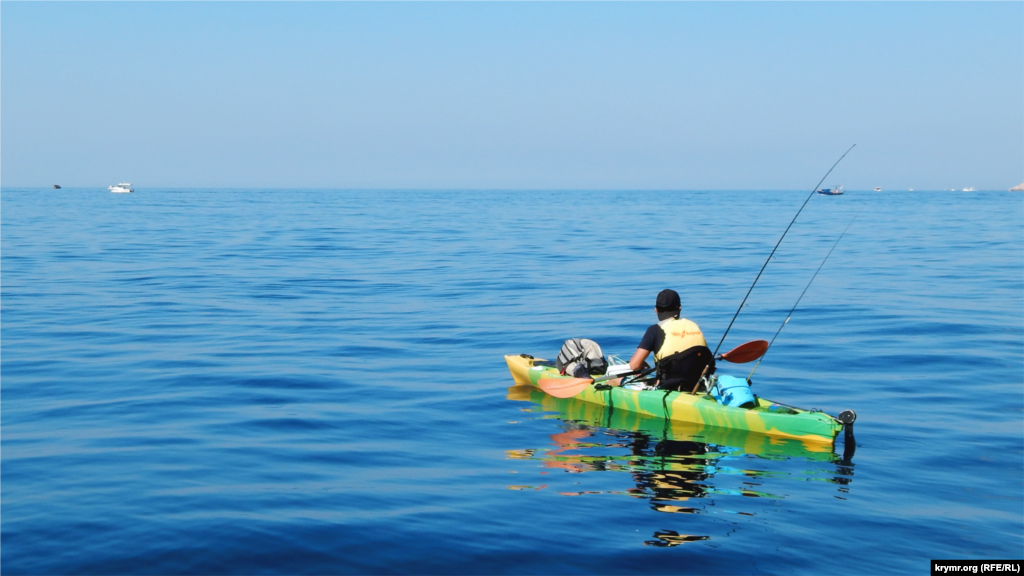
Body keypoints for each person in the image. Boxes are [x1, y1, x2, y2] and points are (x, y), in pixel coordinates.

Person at [611, 289, 714, 391]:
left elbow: (634, 365)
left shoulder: (655, 330)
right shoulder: (693, 326)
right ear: (680, 308)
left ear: (656, 310)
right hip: (697, 385)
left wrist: (643, 365)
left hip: (669, 387)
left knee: (614, 380)